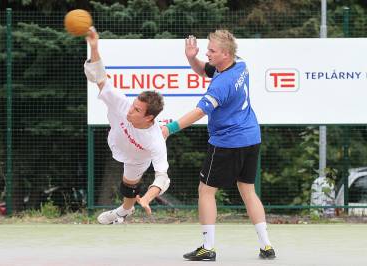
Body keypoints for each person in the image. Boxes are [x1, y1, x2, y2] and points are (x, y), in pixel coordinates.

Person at [162, 30, 275, 261]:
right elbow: (206, 70)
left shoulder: (221, 85)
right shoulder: (239, 65)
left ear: (225, 53)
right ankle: (267, 246)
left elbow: (199, 112)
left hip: (228, 143)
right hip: (251, 138)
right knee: (248, 190)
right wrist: (192, 58)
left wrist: (168, 129)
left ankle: (208, 247)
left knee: (206, 191)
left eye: (211, 50)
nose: (207, 52)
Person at [85, 27, 170, 224]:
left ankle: (122, 213)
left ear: (149, 118)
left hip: (137, 159)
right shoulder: (123, 104)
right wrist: (94, 47)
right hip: (116, 140)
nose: (131, 111)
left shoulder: (155, 140)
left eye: (137, 111)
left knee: (129, 189)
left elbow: (163, 177)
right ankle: (125, 211)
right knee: (128, 188)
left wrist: (147, 198)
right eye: (133, 106)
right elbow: (99, 77)